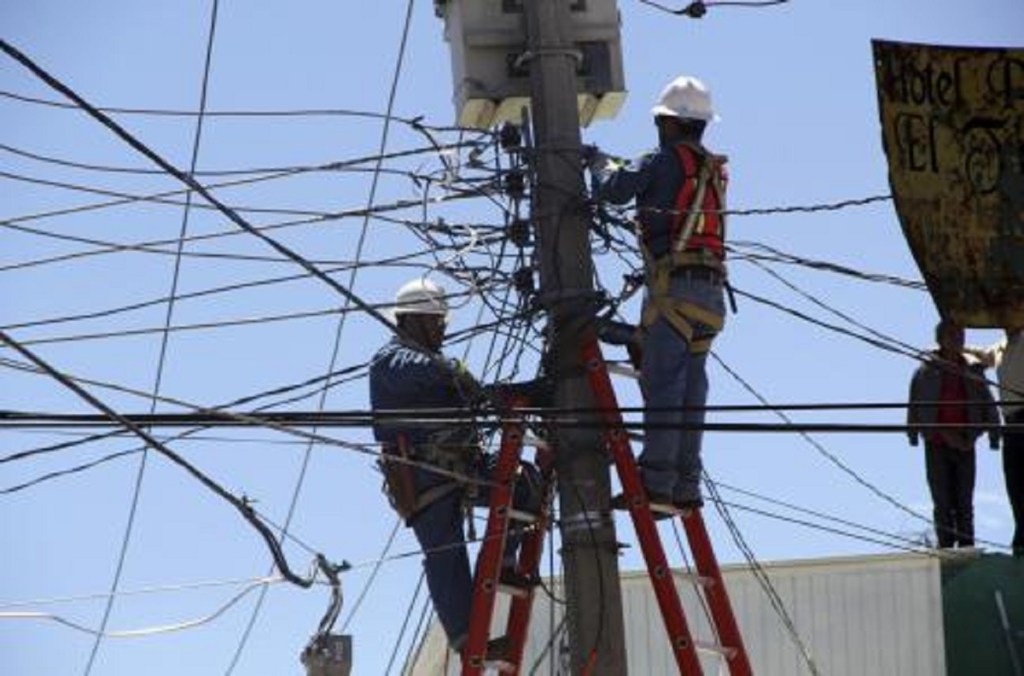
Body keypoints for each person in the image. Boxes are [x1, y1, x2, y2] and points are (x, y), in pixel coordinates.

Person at [369, 277, 539, 656]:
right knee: (446, 552)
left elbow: (446, 376)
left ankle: (504, 563)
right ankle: (467, 639)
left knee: (523, 482)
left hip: (463, 466)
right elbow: (418, 367)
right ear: (409, 320)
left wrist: (481, 394)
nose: (441, 329)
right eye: (434, 321)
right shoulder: (390, 359)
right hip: (422, 475)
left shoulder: (432, 363)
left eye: (442, 322)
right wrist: (456, 374)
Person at [588, 75, 728, 510]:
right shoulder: (710, 168)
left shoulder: (663, 160)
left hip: (673, 292)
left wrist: (594, 163)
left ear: (669, 123)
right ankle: (685, 487)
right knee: (691, 395)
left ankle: (656, 484)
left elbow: (615, 190)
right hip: (711, 299)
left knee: (664, 390)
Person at [907, 319, 1001, 549]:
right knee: (942, 500)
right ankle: (947, 548)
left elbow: (988, 404)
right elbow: (916, 404)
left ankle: (967, 547)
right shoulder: (926, 371)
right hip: (937, 443)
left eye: (960, 336)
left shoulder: (972, 370)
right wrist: (913, 432)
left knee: (964, 502)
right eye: (952, 335)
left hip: (966, 443)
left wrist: (994, 435)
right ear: (940, 339)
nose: (958, 340)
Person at [967, 325, 1024, 556]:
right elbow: (980, 355)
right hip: (1010, 422)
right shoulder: (1000, 346)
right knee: (1015, 482)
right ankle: (1022, 534)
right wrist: (944, 348)